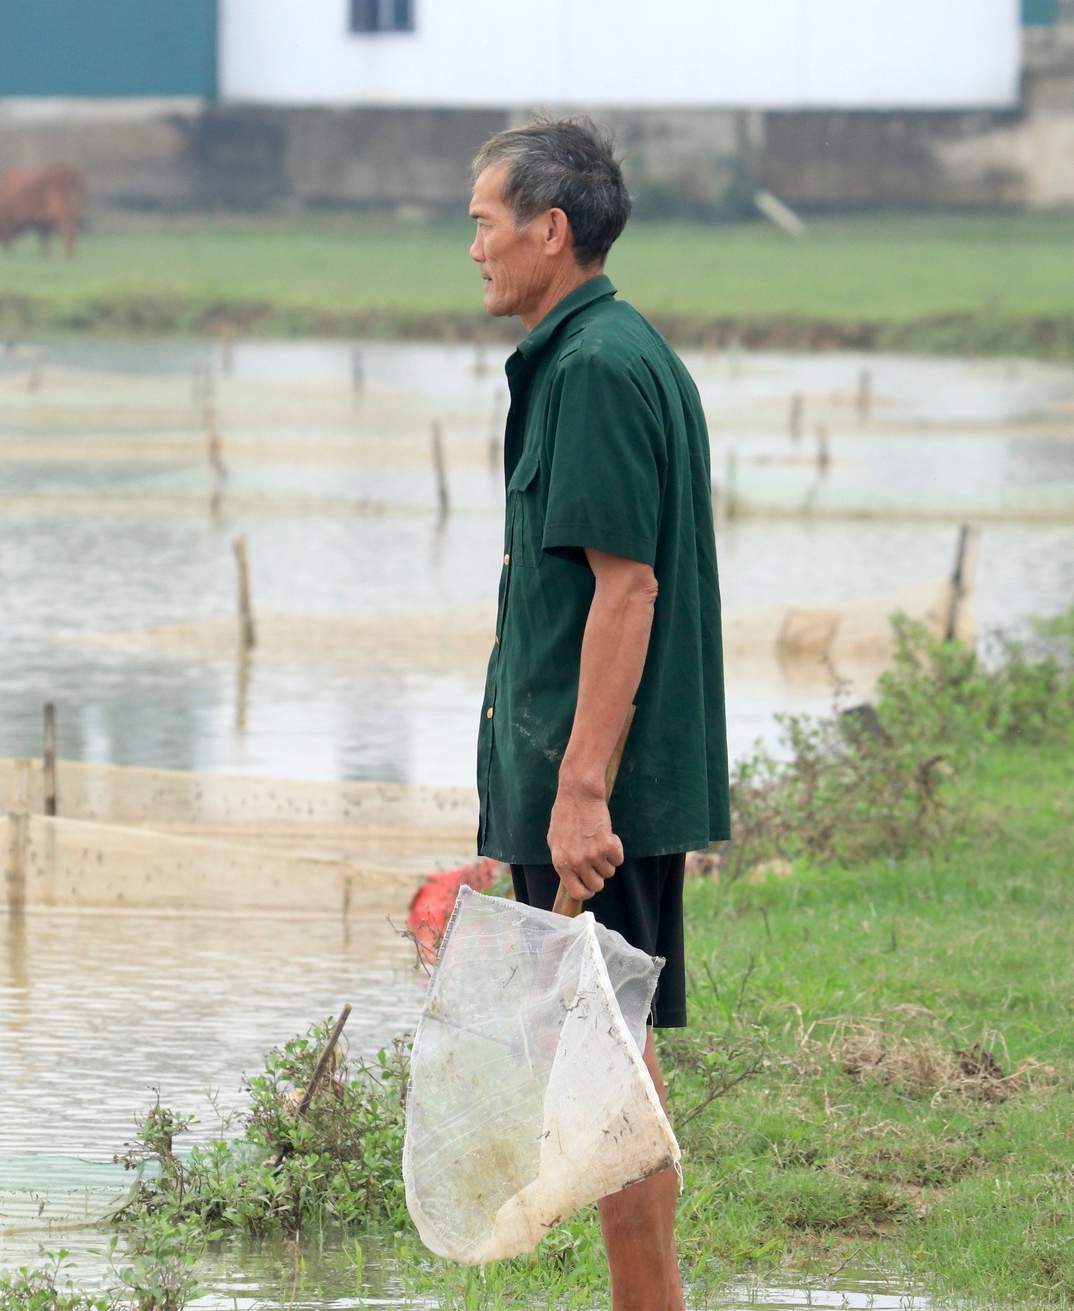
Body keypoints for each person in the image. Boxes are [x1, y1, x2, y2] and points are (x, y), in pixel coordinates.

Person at [468, 117, 728, 1311]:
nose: (472, 247)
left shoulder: (596, 370)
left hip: (599, 794)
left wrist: (577, 794)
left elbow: (626, 590)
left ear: (549, 230)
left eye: (484, 223)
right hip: (574, 785)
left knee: (606, 1074)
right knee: (599, 1061)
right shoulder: (591, 357)